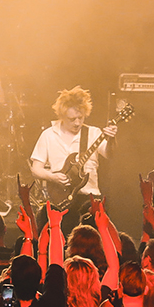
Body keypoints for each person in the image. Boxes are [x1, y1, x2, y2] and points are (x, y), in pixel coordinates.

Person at [30, 86, 117, 233]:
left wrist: (112, 139)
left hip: (88, 199)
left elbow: (110, 155)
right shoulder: (48, 135)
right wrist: (53, 177)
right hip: (60, 199)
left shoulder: (93, 133)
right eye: (72, 119)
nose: (77, 123)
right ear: (61, 116)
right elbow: (36, 169)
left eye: (80, 118)